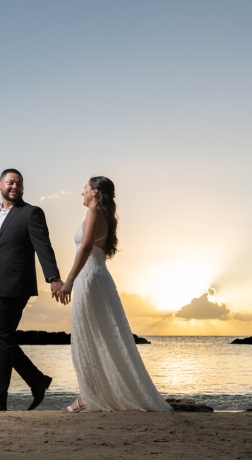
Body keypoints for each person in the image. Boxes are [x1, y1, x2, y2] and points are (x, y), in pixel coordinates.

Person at [57, 176, 171, 412]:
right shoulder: (103, 215)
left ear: (95, 192)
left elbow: (87, 246)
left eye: (85, 188)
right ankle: (89, 395)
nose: (82, 192)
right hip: (95, 277)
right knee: (95, 336)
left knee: (90, 337)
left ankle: (87, 398)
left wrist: (68, 280)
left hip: (89, 278)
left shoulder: (94, 213)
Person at [0, 168, 62, 411]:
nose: (14, 187)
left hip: (17, 284)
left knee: (1, 336)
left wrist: (53, 277)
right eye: (10, 183)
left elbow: (43, 246)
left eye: (19, 184)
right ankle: (37, 380)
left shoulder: (31, 213)